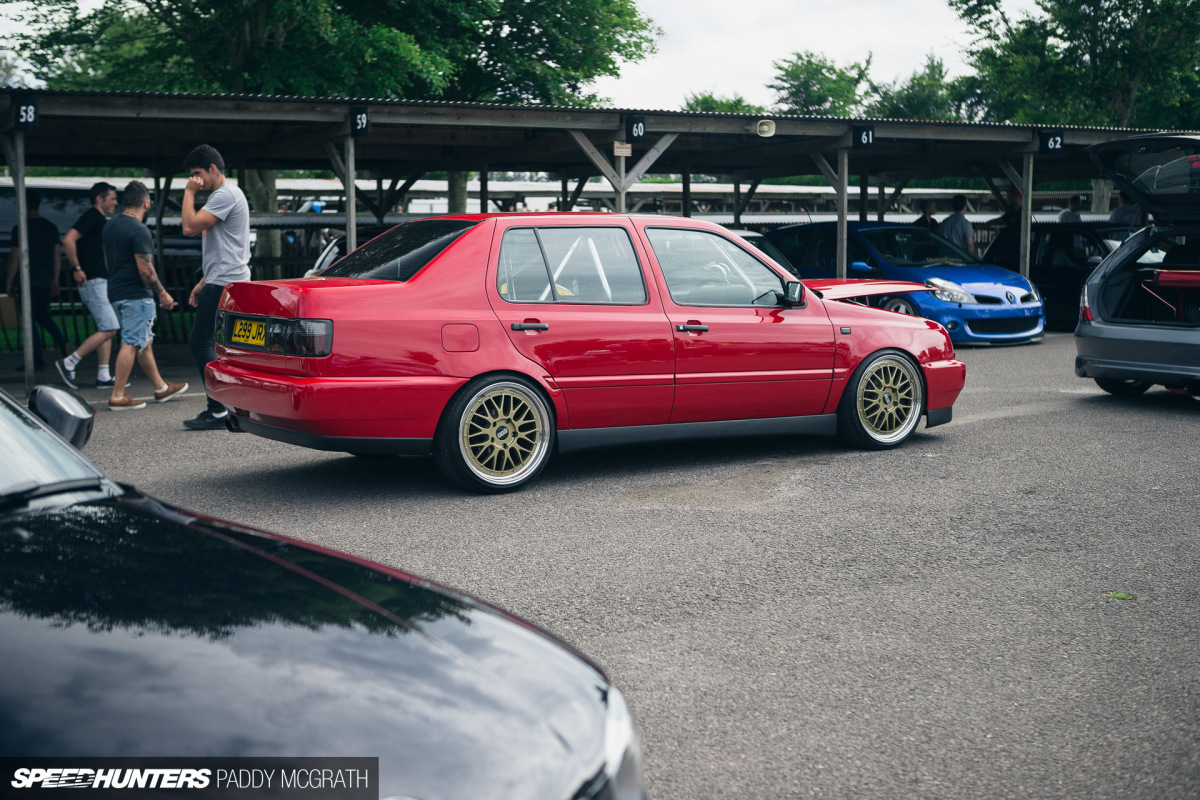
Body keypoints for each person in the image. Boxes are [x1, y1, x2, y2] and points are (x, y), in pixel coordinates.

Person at [180, 143, 251, 431]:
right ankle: (232, 405)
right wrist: (203, 281)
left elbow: (188, 227)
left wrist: (188, 193)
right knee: (224, 347)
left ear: (212, 168)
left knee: (200, 342)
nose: (195, 179)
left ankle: (218, 408)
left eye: (197, 173)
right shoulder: (226, 195)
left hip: (224, 282)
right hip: (224, 279)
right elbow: (223, 248)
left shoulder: (224, 194)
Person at [102, 180, 188, 411]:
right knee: (132, 342)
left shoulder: (110, 226)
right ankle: (117, 395)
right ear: (147, 203)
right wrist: (162, 293)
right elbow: (146, 270)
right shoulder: (139, 230)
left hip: (116, 290)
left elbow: (107, 260)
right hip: (135, 294)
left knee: (144, 341)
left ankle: (161, 388)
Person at [57, 182, 121, 389]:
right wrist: (77, 268)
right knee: (110, 327)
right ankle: (69, 362)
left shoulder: (99, 220)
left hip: (99, 279)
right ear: (100, 199)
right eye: (112, 198)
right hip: (92, 280)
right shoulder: (92, 216)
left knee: (105, 327)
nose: (116, 202)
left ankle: (103, 375)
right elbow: (68, 240)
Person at [5, 188, 68, 369]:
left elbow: (15, 256)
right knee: (43, 315)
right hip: (45, 279)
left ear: (23, 204)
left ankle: (36, 358)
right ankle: (62, 342)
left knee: (29, 320)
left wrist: (9, 280)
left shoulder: (20, 228)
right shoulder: (50, 227)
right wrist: (55, 279)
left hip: (27, 281)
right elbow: (57, 256)